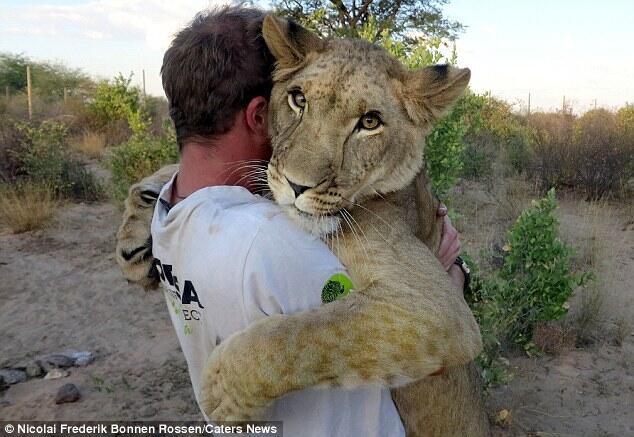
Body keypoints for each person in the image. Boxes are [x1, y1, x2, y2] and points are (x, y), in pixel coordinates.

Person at [151, 5, 466, 436]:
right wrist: (451, 275)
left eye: (368, 122)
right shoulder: (271, 244)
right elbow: (436, 321)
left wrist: (255, 364)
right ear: (260, 112)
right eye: (298, 100)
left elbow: (442, 327)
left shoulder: (171, 209)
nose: (303, 174)